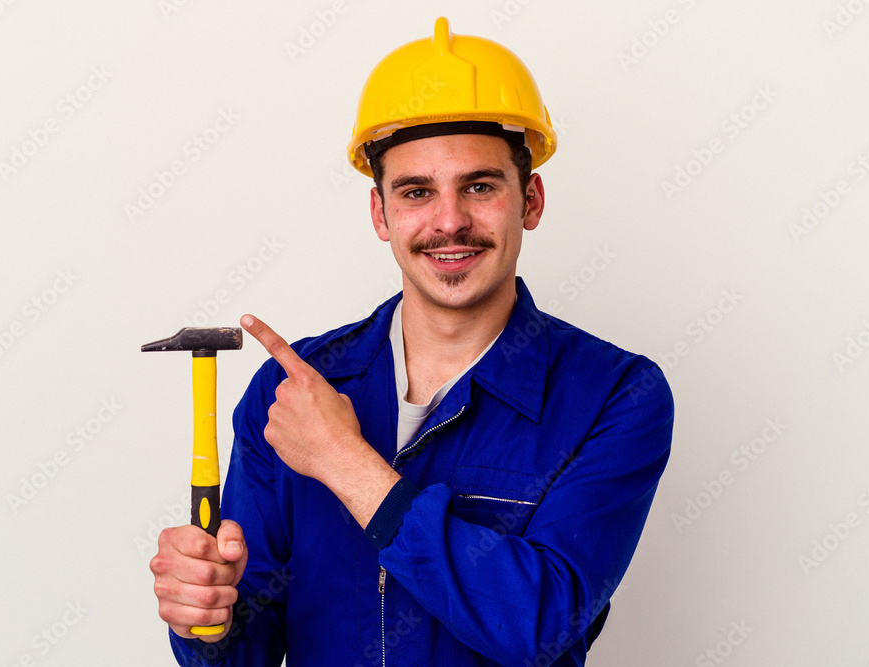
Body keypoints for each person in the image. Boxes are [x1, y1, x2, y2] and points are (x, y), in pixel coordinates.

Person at [150, 17, 673, 666]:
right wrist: (208, 618)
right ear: (381, 214)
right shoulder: (291, 393)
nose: (449, 221)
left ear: (530, 200)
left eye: (479, 186)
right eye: (417, 191)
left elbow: (539, 621)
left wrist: (345, 461)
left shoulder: (615, 396)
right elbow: (246, 649)